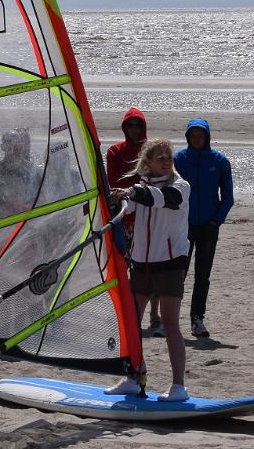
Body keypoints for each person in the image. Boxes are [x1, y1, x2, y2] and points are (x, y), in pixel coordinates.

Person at [103, 139, 193, 402]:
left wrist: (132, 192)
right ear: (148, 162)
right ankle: (133, 378)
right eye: (160, 158)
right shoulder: (141, 188)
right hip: (141, 263)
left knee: (170, 323)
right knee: (131, 323)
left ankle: (179, 386)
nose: (166, 161)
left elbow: (167, 200)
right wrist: (116, 198)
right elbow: (128, 207)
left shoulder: (180, 186)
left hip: (170, 263)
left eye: (169, 157)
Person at [174, 118, 233, 340]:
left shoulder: (218, 160)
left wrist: (216, 220)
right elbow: (170, 191)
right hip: (183, 227)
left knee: (202, 276)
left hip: (209, 227)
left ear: (207, 136)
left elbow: (228, 197)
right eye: (193, 134)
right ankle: (171, 319)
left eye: (201, 134)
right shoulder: (179, 159)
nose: (197, 138)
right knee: (179, 274)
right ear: (188, 136)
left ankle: (197, 318)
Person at [104, 108, 160, 334]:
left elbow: (157, 181)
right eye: (130, 125)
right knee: (124, 269)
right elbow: (113, 184)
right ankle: (126, 314)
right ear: (124, 128)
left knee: (154, 268)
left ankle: (155, 316)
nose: (134, 129)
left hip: (148, 218)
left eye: (137, 125)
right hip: (124, 218)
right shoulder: (115, 151)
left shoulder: (153, 152)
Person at [0, 129, 42, 221]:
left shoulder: (33, 171)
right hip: (3, 223)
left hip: (28, 223)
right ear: (3, 147)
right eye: (10, 146)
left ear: (21, 147)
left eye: (17, 146)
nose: (13, 150)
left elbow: (42, 197)